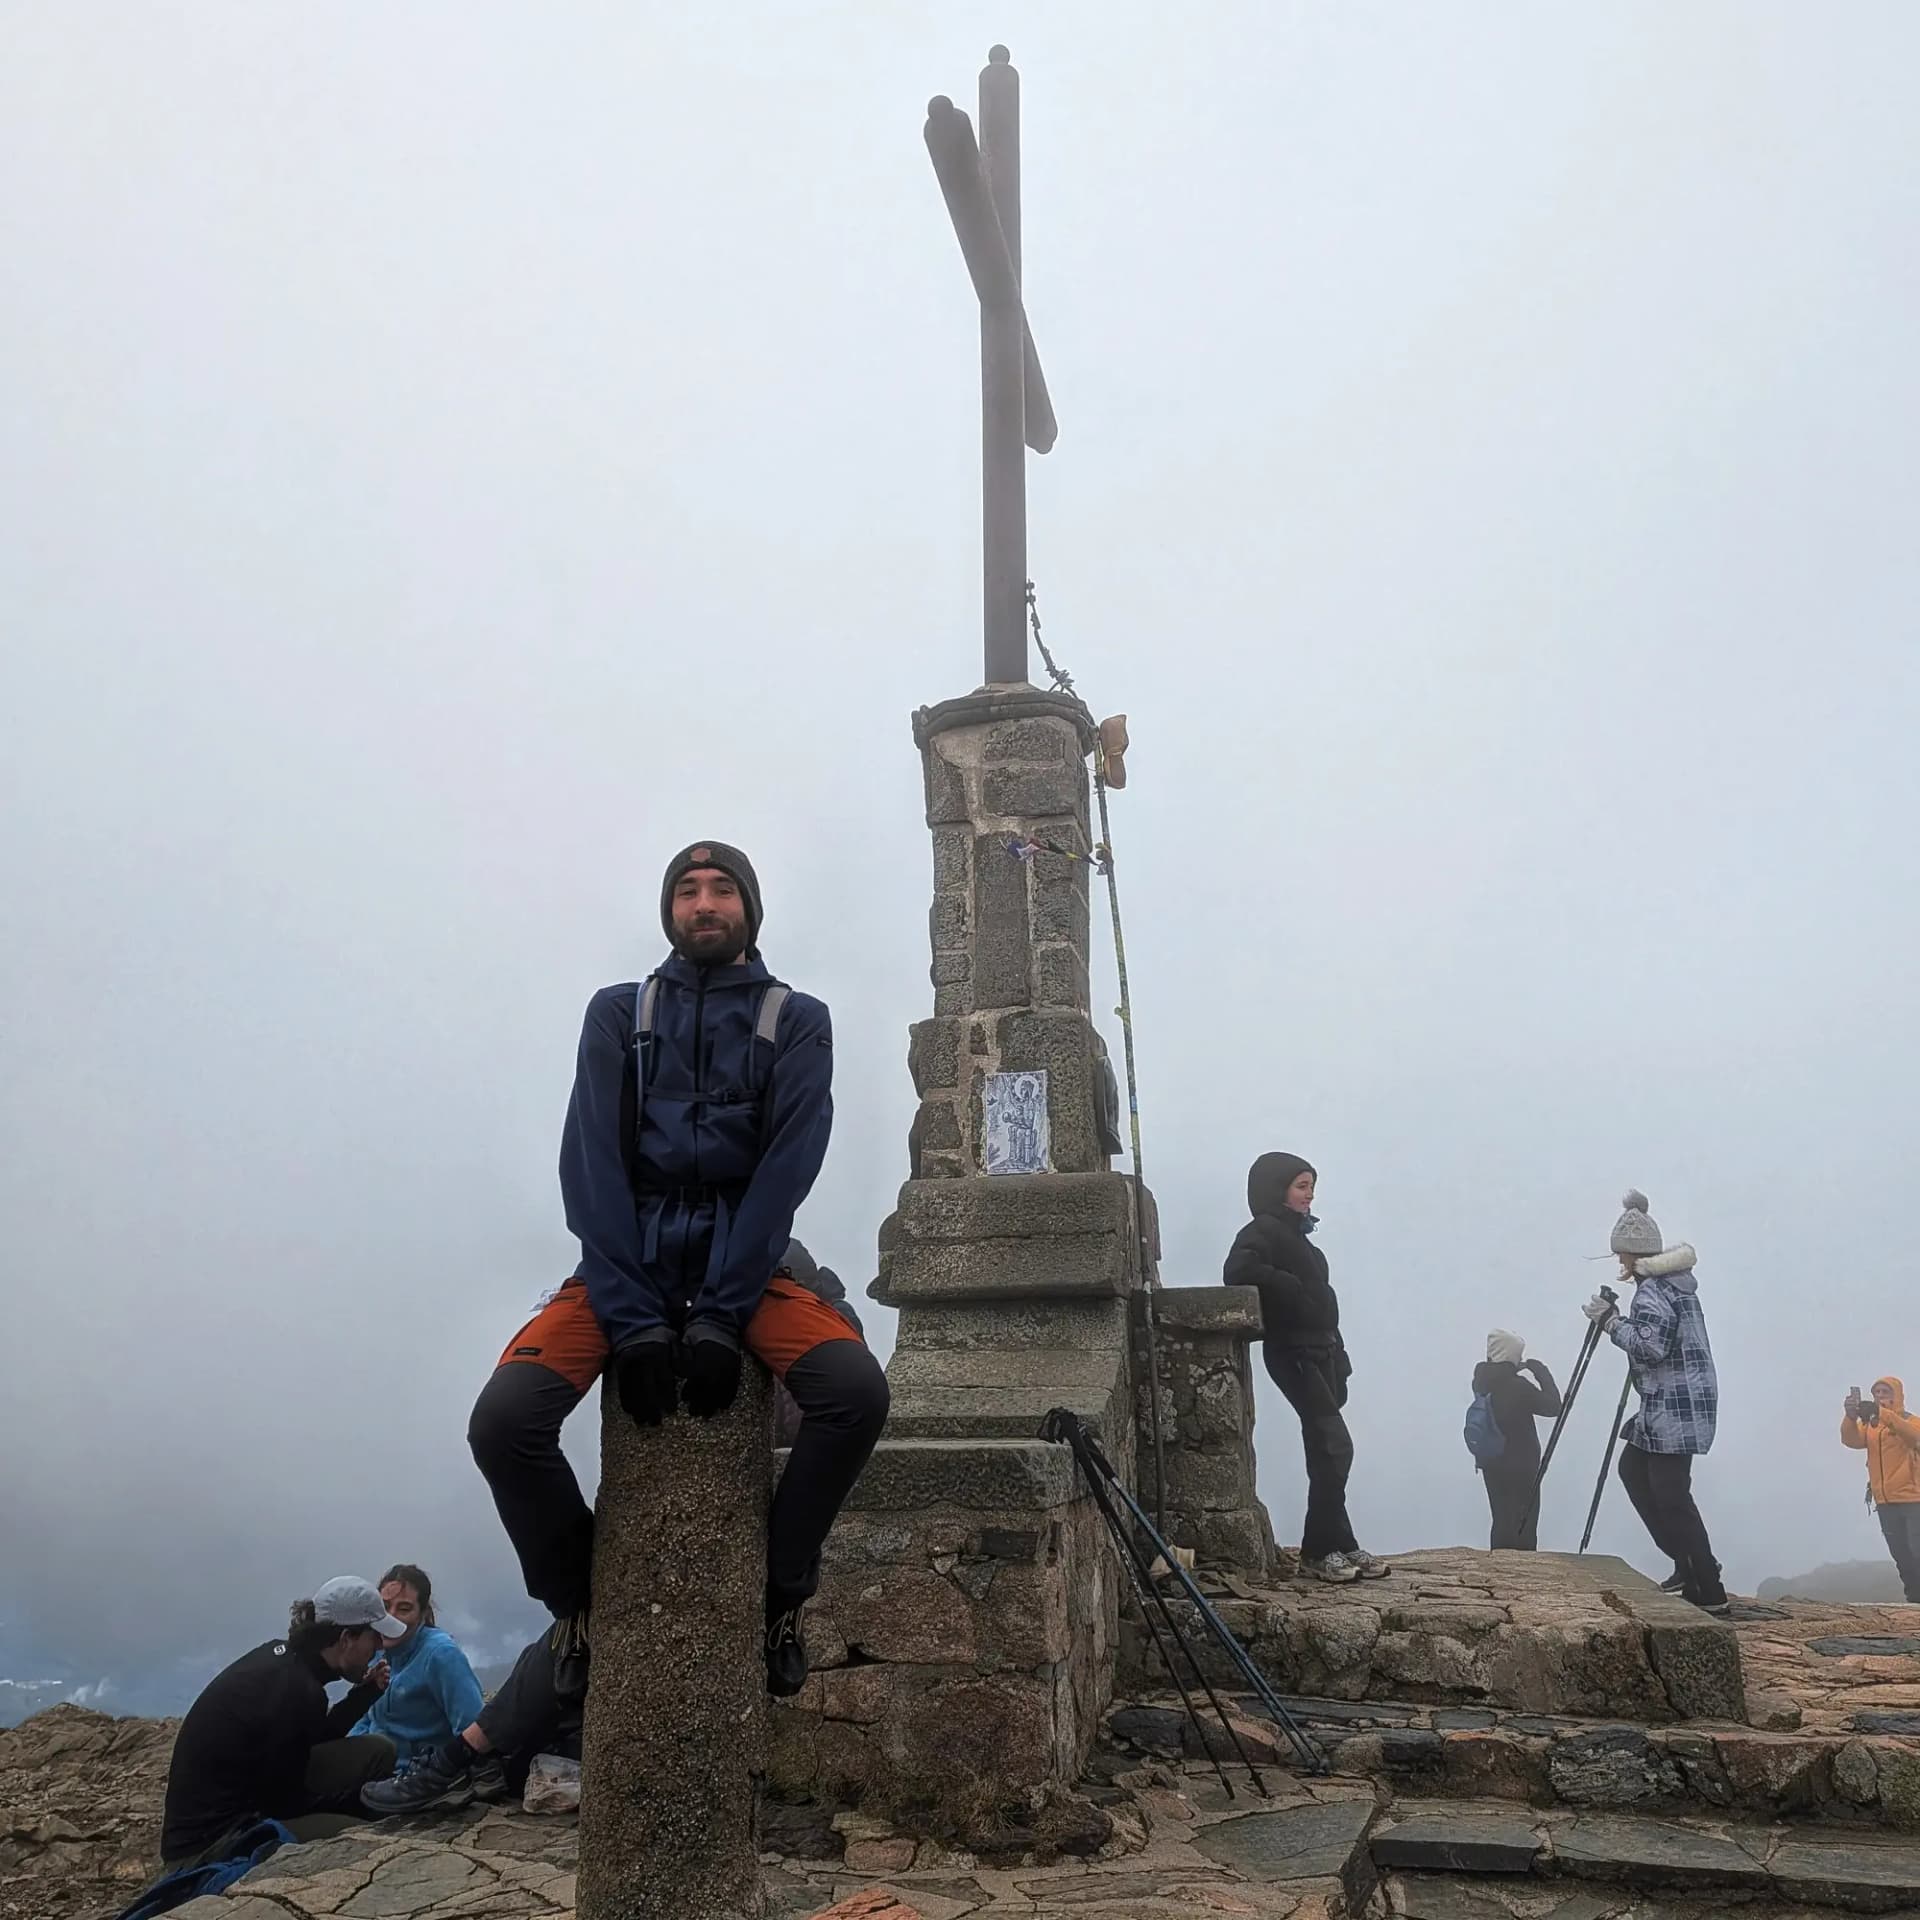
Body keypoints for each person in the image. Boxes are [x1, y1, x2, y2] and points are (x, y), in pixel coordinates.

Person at [377, 843, 888, 1817]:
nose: (705, 904)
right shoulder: (621, 1011)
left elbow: (786, 1170)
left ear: (751, 908)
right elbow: (591, 1168)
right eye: (688, 891)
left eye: (722, 889)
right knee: (506, 1420)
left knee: (855, 1395)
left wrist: (722, 1311)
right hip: (626, 1258)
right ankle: (579, 1612)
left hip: (752, 1259)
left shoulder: (799, 1021)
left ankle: (777, 1600)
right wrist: (637, 1318)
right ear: (669, 909)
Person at [1224, 1151, 1390, 1584]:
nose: (1310, 1194)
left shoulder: (1304, 1243)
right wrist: (1289, 1286)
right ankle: (1318, 1551)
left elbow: (1323, 1308)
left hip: (1320, 1353)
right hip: (1291, 1352)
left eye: (1311, 1185)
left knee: (1327, 1449)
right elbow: (1237, 1269)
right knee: (1335, 1446)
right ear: (1276, 1189)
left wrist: (1340, 1354)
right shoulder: (1264, 1230)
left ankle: (1339, 1542)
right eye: (1301, 1185)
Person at [159, 1577, 404, 1868]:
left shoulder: (288, 1662)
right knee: (359, 1839)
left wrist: (365, 1695)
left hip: (254, 1797)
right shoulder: (296, 1692)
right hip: (210, 1844)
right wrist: (363, 1800)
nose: (379, 1646)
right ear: (346, 1639)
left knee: (378, 1749)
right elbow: (287, 1803)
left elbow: (308, 1739)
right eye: (373, 1636)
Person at [1584, 1191, 1727, 1615]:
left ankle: (1707, 1584)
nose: (1619, 1263)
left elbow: (1651, 1347)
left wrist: (1610, 1322)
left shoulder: (1651, 1291)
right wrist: (1620, 1320)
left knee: (1671, 1496)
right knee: (1636, 1472)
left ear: (1630, 1254)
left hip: (1673, 1407)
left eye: (1621, 1256)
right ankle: (1688, 1564)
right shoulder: (1676, 1286)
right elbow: (1660, 1338)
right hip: (1682, 1402)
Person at [348, 1565, 490, 1773]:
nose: (391, 1616)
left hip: (415, 1775)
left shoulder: (441, 1655)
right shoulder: (375, 1651)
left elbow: (470, 1726)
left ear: (423, 1613)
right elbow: (366, 1718)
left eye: (404, 1609)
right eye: (385, 1607)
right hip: (373, 1767)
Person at [1469, 1330, 1563, 1551]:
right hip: (1521, 1464)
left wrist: (1511, 1367)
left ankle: (1499, 1565)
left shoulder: (1482, 1381)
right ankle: (1522, 1573)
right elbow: (1553, 1406)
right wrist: (1541, 1372)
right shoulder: (1517, 1386)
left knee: (1501, 1517)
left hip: (1491, 1461)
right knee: (1524, 1523)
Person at [1842, 1377, 1920, 1603]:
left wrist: (1882, 1413)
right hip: (1885, 1502)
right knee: (1902, 1557)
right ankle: (1915, 1606)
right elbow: (1851, 1440)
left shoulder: (1911, 1421)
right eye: (1876, 1392)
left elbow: (1914, 1437)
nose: (1880, 1395)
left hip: (1914, 1500)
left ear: (1898, 1395)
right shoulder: (1872, 1427)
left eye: (1885, 1391)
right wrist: (1850, 1416)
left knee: (1918, 1553)